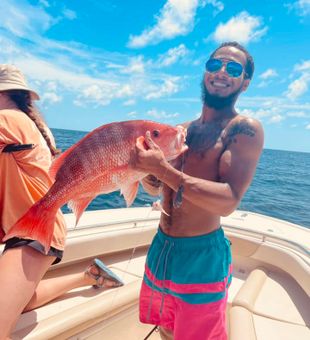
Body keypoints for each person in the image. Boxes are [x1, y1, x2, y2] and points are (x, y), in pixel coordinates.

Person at [130, 42, 264, 340]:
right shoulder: (180, 130)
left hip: (202, 256)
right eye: (215, 64)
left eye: (233, 68)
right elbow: (159, 186)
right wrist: (147, 171)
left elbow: (228, 200)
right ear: (206, 71)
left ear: (245, 82)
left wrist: (163, 169)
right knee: (166, 327)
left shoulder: (244, 129)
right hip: (162, 248)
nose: (222, 72)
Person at [0, 64, 123, 339]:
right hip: (37, 226)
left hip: (34, 229)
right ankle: (88, 276)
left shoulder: (9, 118)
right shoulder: (30, 123)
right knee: (21, 301)